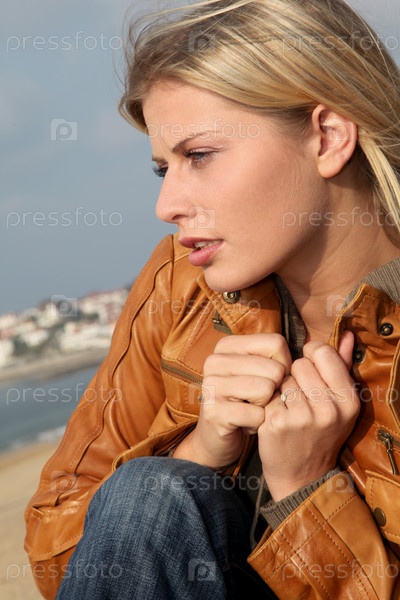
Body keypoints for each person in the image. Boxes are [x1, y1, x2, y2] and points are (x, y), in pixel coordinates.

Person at [25, 0, 400, 598]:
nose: (166, 205)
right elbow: (57, 557)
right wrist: (201, 453)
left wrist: (304, 489)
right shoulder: (182, 284)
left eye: (198, 155)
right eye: (163, 169)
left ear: (328, 137)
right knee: (149, 492)